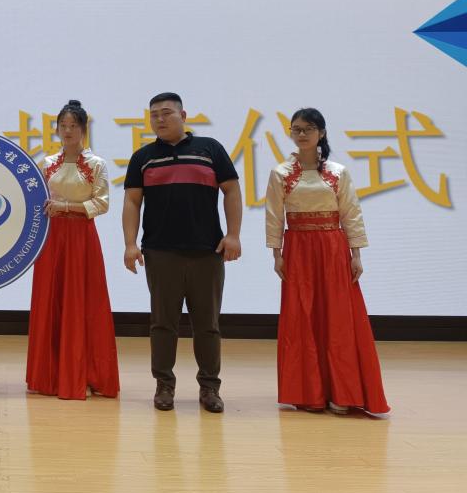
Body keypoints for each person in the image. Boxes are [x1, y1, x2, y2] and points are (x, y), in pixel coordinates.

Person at [122, 92, 242, 413]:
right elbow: (132, 201)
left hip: (207, 251)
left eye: (166, 113)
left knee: (208, 325)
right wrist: (130, 244)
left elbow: (231, 190)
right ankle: (164, 386)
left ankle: (210, 388)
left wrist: (233, 235)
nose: (159, 119)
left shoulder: (210, 149)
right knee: (163, 324)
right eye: (154, 115)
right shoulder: (143, 157)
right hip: (160, 252)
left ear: (183, 115)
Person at [266, 108, 389, 415]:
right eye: (296, 129)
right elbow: (274, 216)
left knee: (338, 317)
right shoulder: (281, 173)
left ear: (321, 133)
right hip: (298, 248)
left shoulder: (338, 172)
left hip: (333, 248)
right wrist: (277, 254)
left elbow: (351, 212)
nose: (302, 134)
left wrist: (356, 253)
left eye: (308, 129)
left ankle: (343, 392)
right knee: (302, 316)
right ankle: (309, 392)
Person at [26, 100, 119, 400]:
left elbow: (101, 203)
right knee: (51, 301)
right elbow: (36, 201)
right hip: (51, 239)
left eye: (73, 126)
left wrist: (67, 206)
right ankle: (50, 374)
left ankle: (86, 374)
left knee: (84, 303)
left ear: (83, 129)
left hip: (81, 239)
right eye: (63, 126)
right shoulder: (47, 163)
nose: (67, 131)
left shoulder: (96, 164)